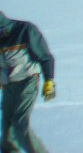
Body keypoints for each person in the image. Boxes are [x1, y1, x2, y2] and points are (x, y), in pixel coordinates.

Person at [0, 11, 55, 153]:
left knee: (20, 123)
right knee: (7, 130)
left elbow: (45, 57)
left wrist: (49, 80)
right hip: (8, 85)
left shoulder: (25, 30)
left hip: (28, 80)